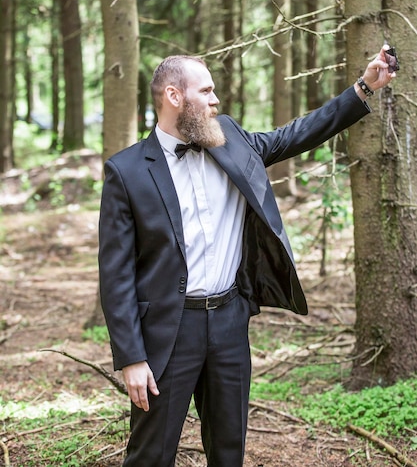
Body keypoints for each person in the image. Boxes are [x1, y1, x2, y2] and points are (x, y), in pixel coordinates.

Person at [98, 47, 395, 467]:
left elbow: (292, 135)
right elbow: (116, 274)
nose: (216, 99)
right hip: (167, 332)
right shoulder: (126, 171)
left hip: (229, 324)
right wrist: (131, 357)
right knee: (150, 454)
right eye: (207, 90)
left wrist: (363, 88)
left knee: (228, 449)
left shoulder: (229, 138)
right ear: (174, 96)